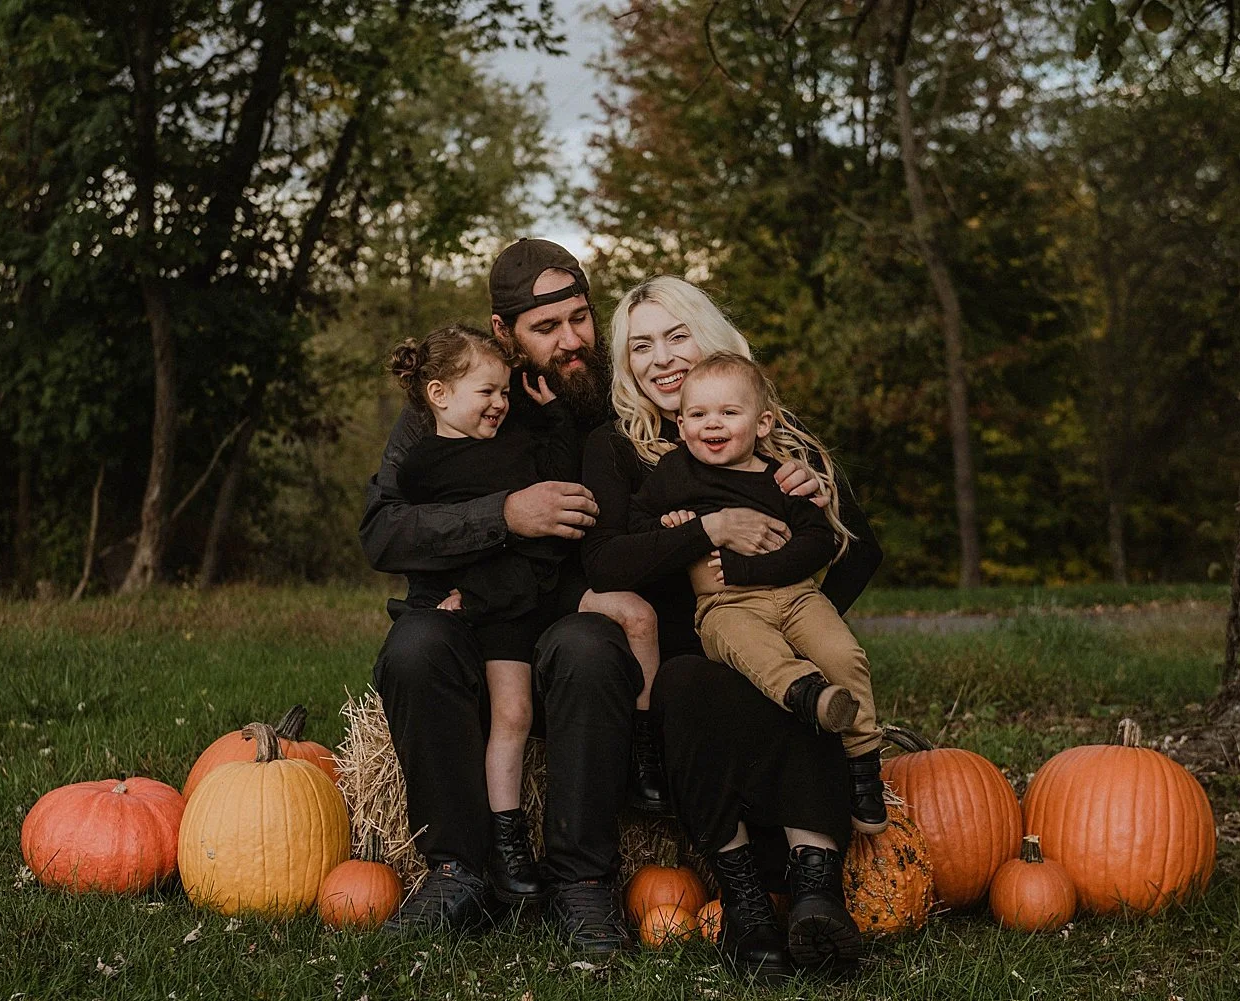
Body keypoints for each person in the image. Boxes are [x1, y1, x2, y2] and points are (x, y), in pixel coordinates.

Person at [582, 275, 884, 978]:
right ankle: (745, 903)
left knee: (801, 687)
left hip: (773, 637)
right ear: (625, 366)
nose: (661, 358)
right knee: (692, 684)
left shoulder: (762, 423)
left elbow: (859, 548)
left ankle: (817, 891)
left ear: (710, 336)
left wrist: (798, 608)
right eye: (640, 346)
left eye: (677, 335)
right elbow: (606, 559)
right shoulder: (619, 447)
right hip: (688, 654)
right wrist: (707, 531)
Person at [360, 240, 643, 952]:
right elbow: (384, 530)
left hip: (567, 629)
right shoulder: (465, 394)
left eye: (579, 318)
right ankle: (458, 869)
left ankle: (582, 882)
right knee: (416, 648)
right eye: (546, 329)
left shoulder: (620, 393)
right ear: (503, 333)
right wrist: (505, 514)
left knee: (591, 646)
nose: (572, 340)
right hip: (478, 628)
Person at [388, 322, 668, 904]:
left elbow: (555, 474)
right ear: (439, 396)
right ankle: (505, 841)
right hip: (503, 607)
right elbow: (409, 534)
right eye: (486, 393)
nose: (500, 404)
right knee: (511, 714)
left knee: (638, 615)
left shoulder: (512, 439)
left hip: (550, 589)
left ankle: (647, 753)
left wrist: (553, 419)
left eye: (503, 393)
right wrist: (472, 568)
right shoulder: (422, 464)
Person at [627, 350, 888, 835]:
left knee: (844, 653)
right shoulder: (675, 476)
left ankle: (862, 765)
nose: (713, 425)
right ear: (681, 426)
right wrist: (673, 527)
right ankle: (807, 695)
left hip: (797, 595)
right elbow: (637, 524)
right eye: (699, 415)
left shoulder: (780, 477)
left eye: (729, 413)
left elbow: (820, 540)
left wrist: (748, 567)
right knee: (752, 647)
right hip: (726, 605)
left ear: (763, 422)